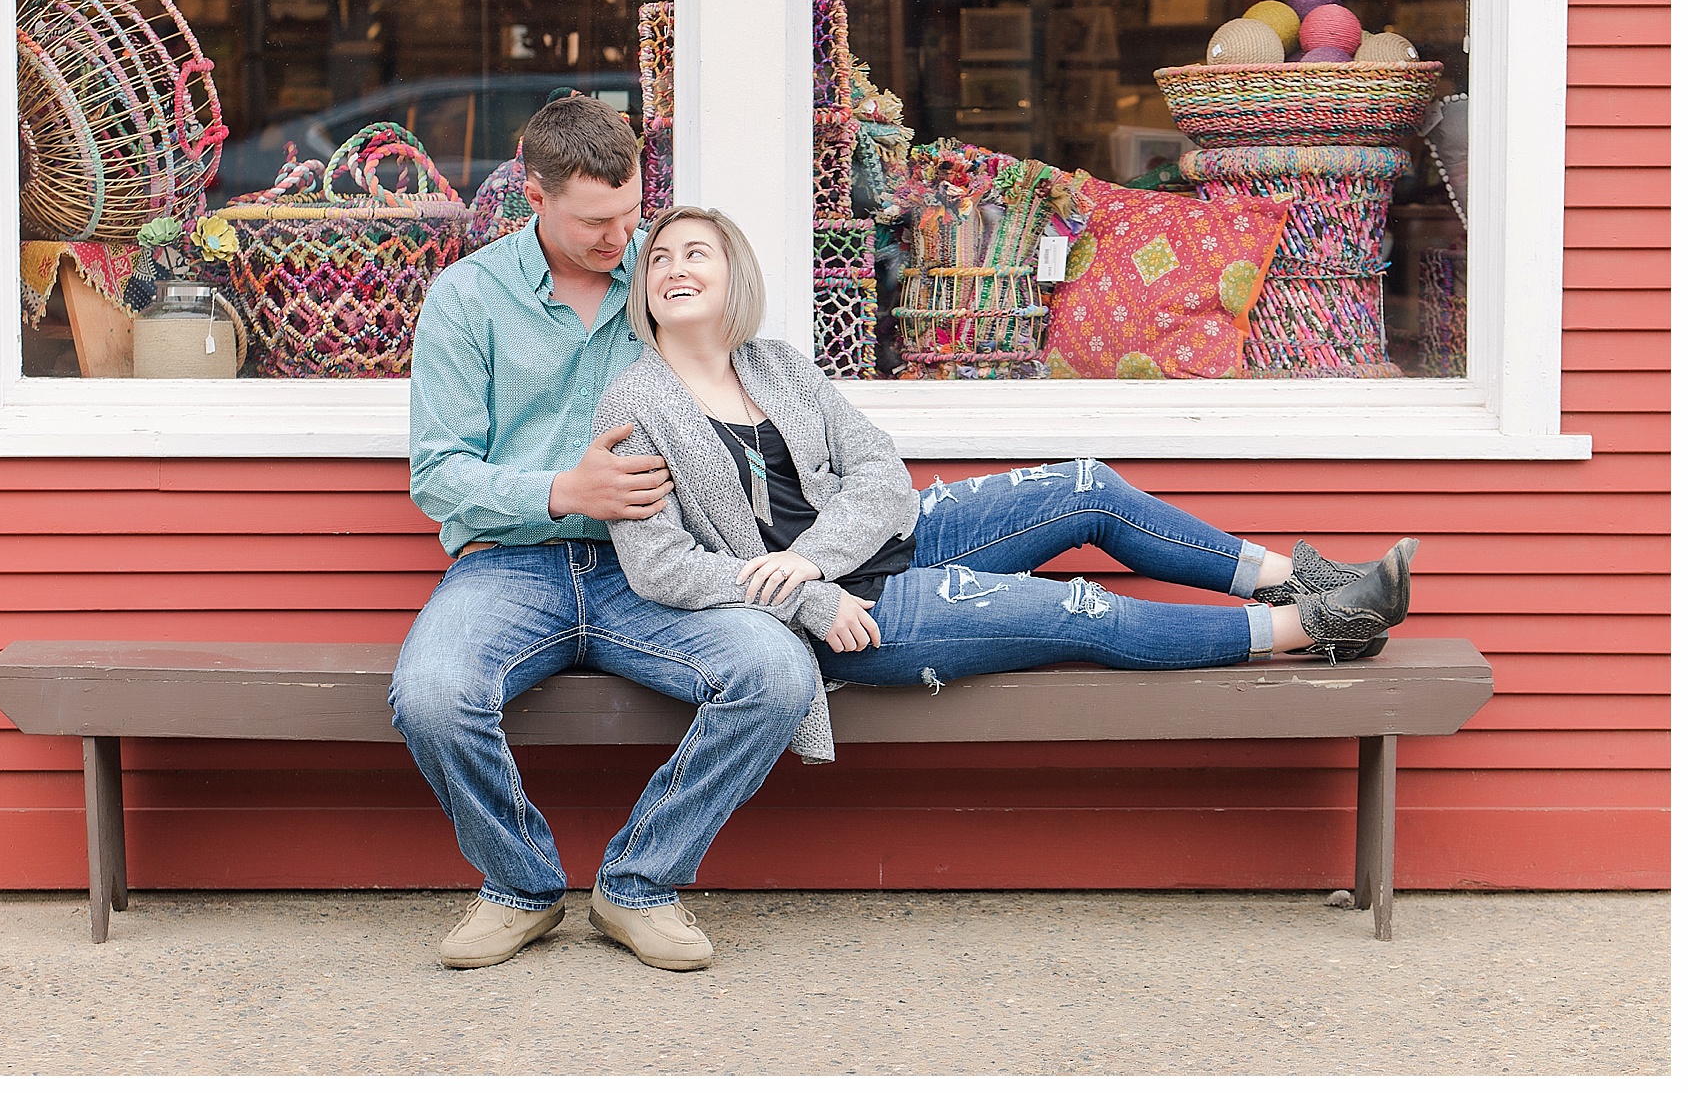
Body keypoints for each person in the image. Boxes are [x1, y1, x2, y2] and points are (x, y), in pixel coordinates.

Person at [592, 202, 1418, 731]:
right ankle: (1314, 629)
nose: (674, 269)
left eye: (694, 253)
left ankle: (1298, 577)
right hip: (856, 610)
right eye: (659, 259)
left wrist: (813, 552)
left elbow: (879, 469)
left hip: (896, 536)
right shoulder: (635, 407)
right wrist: (811, 591)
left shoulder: (775, 365)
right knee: (1077, 610)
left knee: (1088, 484)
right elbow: (663, 566)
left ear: (734, 275)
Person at [392, 97, 822, 977]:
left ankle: (638, 884)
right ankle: (519, 887)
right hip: (509, 567)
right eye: (596, 221)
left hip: (654, 567)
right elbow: (437, 476)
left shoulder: (661, 281)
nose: (620, 238)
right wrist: (561, 491)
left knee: (777, 674)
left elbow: (746, 382)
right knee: (431, 696)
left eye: (633, 213)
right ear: (532, 190)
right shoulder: (467, 299)